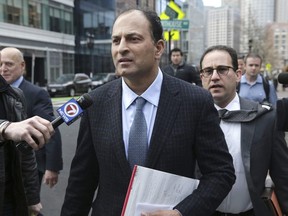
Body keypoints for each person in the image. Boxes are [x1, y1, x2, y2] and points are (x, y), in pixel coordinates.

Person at [61, 9, 235, 216]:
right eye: (116, 41)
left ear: (158, 48)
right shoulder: (95, 102)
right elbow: (81, 182)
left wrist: (181, 212)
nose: (122, 48)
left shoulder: (195, 101)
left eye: (133, 39)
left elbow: (220, 173)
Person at [199, 45, 288, 215]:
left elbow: (283, 174)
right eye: (208, 71)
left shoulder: (265, 118)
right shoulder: (192, 117)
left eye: (223, 70)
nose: (215, 77)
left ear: (238, 75)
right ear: (201, 77)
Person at [0, 47, 63, 193]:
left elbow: (50, 128)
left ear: (22, 66)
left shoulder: (37, 93)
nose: (3, 69)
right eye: (0, 64)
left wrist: (52, 167)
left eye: (9, 64)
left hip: (28, 167)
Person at [0, 66, 54, 214]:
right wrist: (5, 128)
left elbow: (26, 154)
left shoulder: (13, 95)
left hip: (10, 200)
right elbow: (9, 129)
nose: (4, 68)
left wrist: (32, 198)